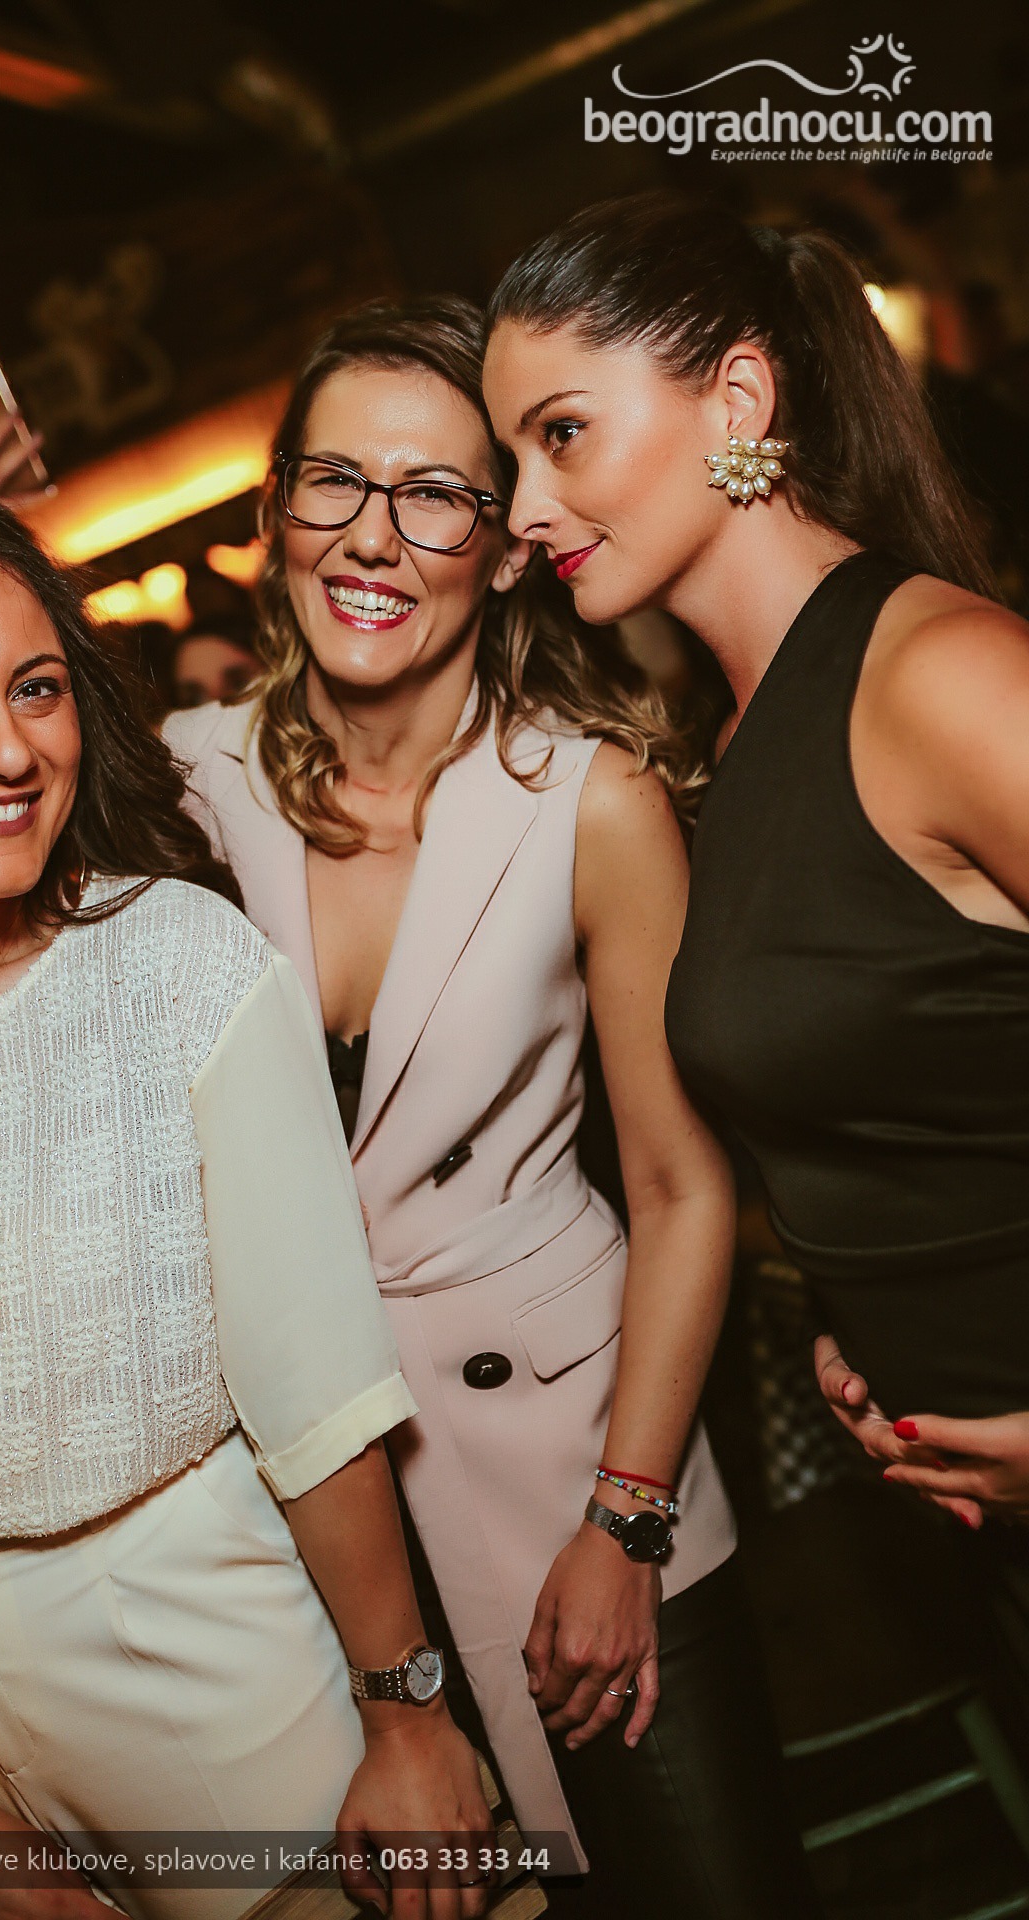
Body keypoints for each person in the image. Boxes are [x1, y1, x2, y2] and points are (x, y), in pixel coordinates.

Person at [0, 483, 493, 1920]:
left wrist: (407, 1718)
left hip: (212, 1690)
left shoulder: (172, 965)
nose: (7, 747)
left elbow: (318, 1396)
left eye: (37, 688)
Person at [165, 298, 818, 1919]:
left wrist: (628, 1521)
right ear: (274, 513)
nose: (372, 537)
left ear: (508, 544)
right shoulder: (182, 788)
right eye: (335, 481)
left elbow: (680, 1187)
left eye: (434, 495)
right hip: (314, 1523)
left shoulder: (589, 800)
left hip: (579, 1473)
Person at [484, 190, 1029, 1734]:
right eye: (512, 458)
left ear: (736, 398)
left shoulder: (940, 677)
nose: (525, 507)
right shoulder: (743, 746)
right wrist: (868, 1311)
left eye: (563, 435)